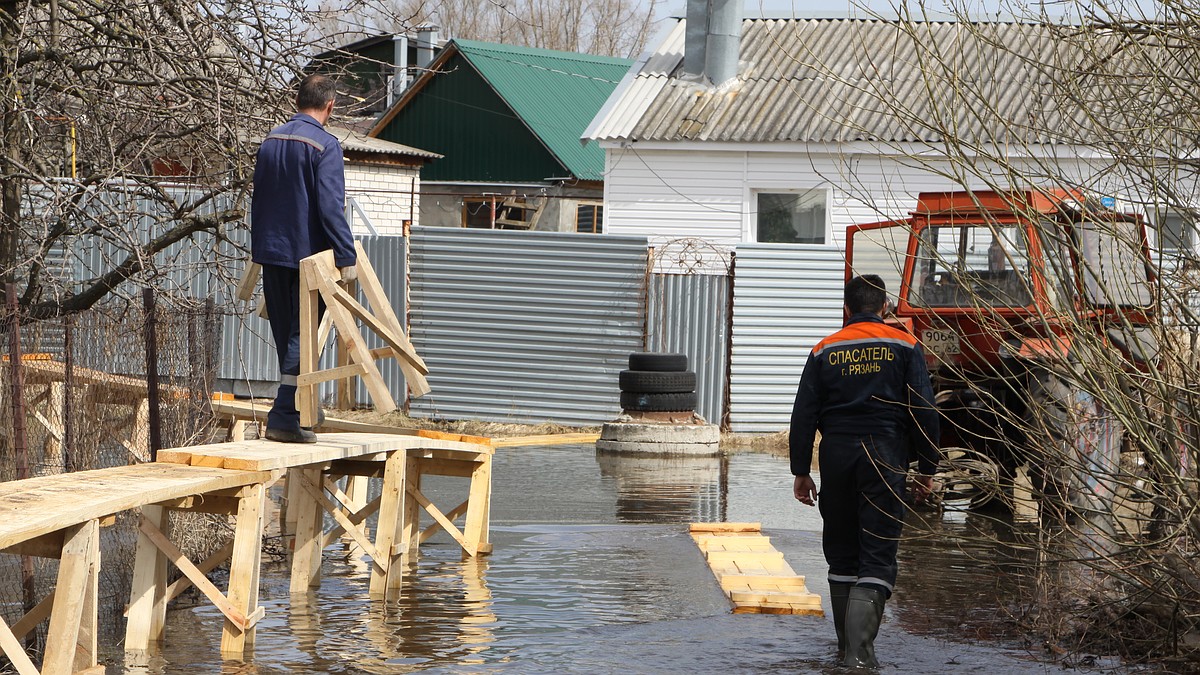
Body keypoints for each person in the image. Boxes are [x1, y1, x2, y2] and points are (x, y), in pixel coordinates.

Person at [789, 274, 940, 668]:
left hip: (836, 455)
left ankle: (843, 653)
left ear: (846, 310)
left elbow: (803, 414)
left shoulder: (824, 349)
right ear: (886, 308)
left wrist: (801, 470)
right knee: (877, 554)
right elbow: (924, 409)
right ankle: (860, 659)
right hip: (885, 454)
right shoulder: (905, 344)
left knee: (841, 555)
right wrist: (927, 467)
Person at [251, 74, 357, 443]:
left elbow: (261, 197)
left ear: (298, 101)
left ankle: (299, 405)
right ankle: (284, 414)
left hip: (270, 251)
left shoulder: (270, 140)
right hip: (306, 256)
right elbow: (331, 207)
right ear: (330, 106)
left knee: (288, 334)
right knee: (304, 335)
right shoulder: (325, 146)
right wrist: (346, 254)